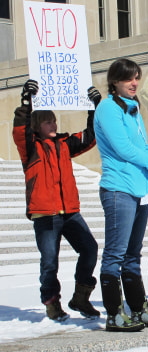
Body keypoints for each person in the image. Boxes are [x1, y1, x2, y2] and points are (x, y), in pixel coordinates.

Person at [13, 80, 101, 321]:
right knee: (50, 262)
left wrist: (94, 107)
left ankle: (81, 296)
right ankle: (52, 302)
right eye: (48, 121)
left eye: (54, 120)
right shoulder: (30, 148)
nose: (53, 124)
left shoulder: (64, 144)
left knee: (90, 249)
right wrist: (25, 102)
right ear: (37, 126)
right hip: (45, 214)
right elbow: (20, 130)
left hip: (70, 212)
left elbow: (90, 137)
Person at [94, 58, 148, 332]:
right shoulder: (108, 108)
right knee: (115, 253)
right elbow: (123, 148)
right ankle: (113, 314)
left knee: (133, 254)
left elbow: (143, 147)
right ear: (114, 82)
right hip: (118, 188)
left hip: (138, 190)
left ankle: (137, 308)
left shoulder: (133, 108)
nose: (134, 83)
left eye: (136, 77)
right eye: (128, 79)